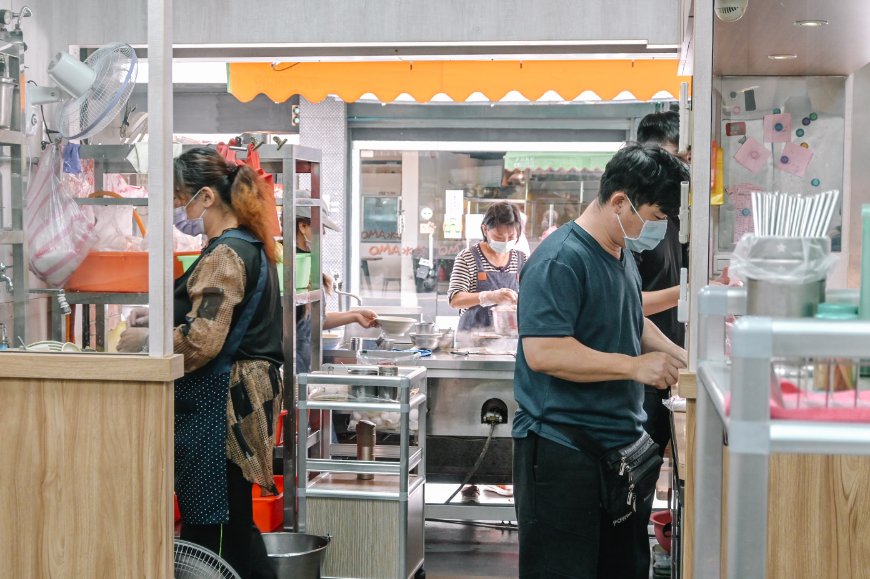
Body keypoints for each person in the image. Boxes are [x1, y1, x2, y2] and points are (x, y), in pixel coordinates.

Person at [512, 143, 689, 578]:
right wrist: (633, 367)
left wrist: (683, 357)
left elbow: (633, 317)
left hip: (616, 452)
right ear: (619, 202)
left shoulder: (620, 252)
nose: (658, 230)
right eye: (656, 217)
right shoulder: (559, 260)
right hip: (561, 452)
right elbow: (544, 351)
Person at [120, 148, 283, 578]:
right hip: (236, 405)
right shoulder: (248, 244)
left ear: (207, 197)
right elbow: (214, 313)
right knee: (234, 529)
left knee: (216, 536)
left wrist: (145, 342)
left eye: (181, 199)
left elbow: (202, 340)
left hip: (222, 412)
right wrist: (159, 314)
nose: (180, 210)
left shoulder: (227, 254)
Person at [634, 110, 690, 458]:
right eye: (679, 157)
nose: (684, 169)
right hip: (641, 372)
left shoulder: (668, 218)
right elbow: (628, 305)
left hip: (666, 363)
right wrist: (686, 293)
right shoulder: (634, 228)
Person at [294, 190, 378, 374]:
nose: (324, 234)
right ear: (302, 226)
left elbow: (314, 320)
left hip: (305, 365)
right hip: (289, 367)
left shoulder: (309, 262)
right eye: (320, 227)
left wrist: (354, 316)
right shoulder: (289, 265)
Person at [448, 201, 526, 333]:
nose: (506, 242)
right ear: (485, 229)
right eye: (499, 237)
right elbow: (455, 299)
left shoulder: (521, 259)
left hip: (508, 339)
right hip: (471, 338)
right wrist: (489, 297)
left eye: (512, 236)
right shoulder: (467, 257)